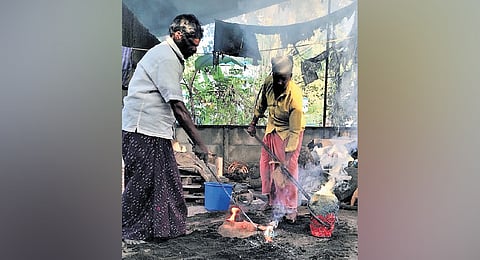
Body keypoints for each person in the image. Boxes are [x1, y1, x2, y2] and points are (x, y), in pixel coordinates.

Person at [121, 14, 209, 244]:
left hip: (153, 131)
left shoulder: (169, 56)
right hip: (143, 131)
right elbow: (178, 107)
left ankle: (160, 230)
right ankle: (129, 233)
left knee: (165, 183)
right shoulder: (166, 57)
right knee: (141, 186)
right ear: (178, 36)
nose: (194, 50)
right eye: (192, 43)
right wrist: (200, 144)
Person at [246, 56, 305, 223]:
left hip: (289, 132)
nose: (279, 82)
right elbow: (261, 103)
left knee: (288, 171)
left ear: (290, 76)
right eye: (276, 77)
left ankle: (291, 207)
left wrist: (286, 160)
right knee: (266, 166)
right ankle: (271, 201)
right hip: (272, 128)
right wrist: (253, 122)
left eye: (283, 79)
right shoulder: (269, 83)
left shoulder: (295, 97)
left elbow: (294, 132)